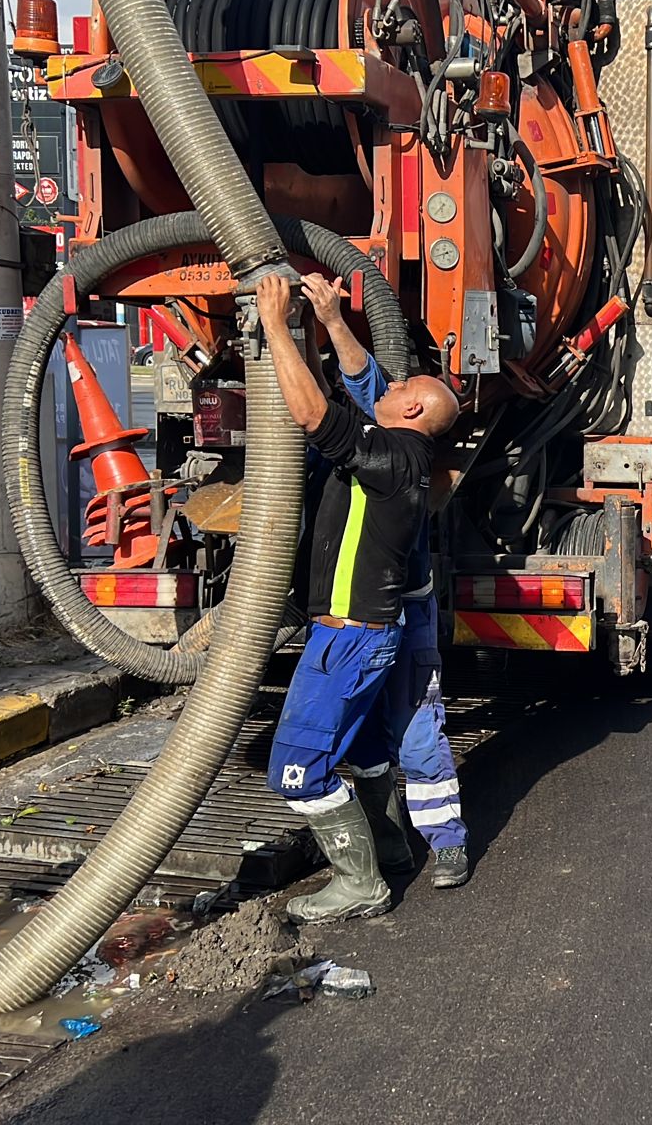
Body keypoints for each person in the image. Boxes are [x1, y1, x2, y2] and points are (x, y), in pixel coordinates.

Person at [258, 272, 459, 923]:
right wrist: (328, 319)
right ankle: (392, 848)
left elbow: (316, 414)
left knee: (295, 767)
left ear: (414, 413)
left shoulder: (396, 457)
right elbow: (360, 384)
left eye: (401, 387)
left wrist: (274, 325)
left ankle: (364, 883)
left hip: (352, 638)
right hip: (361, 633)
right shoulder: (402, 447)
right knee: (369, 748)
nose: (387, 386)